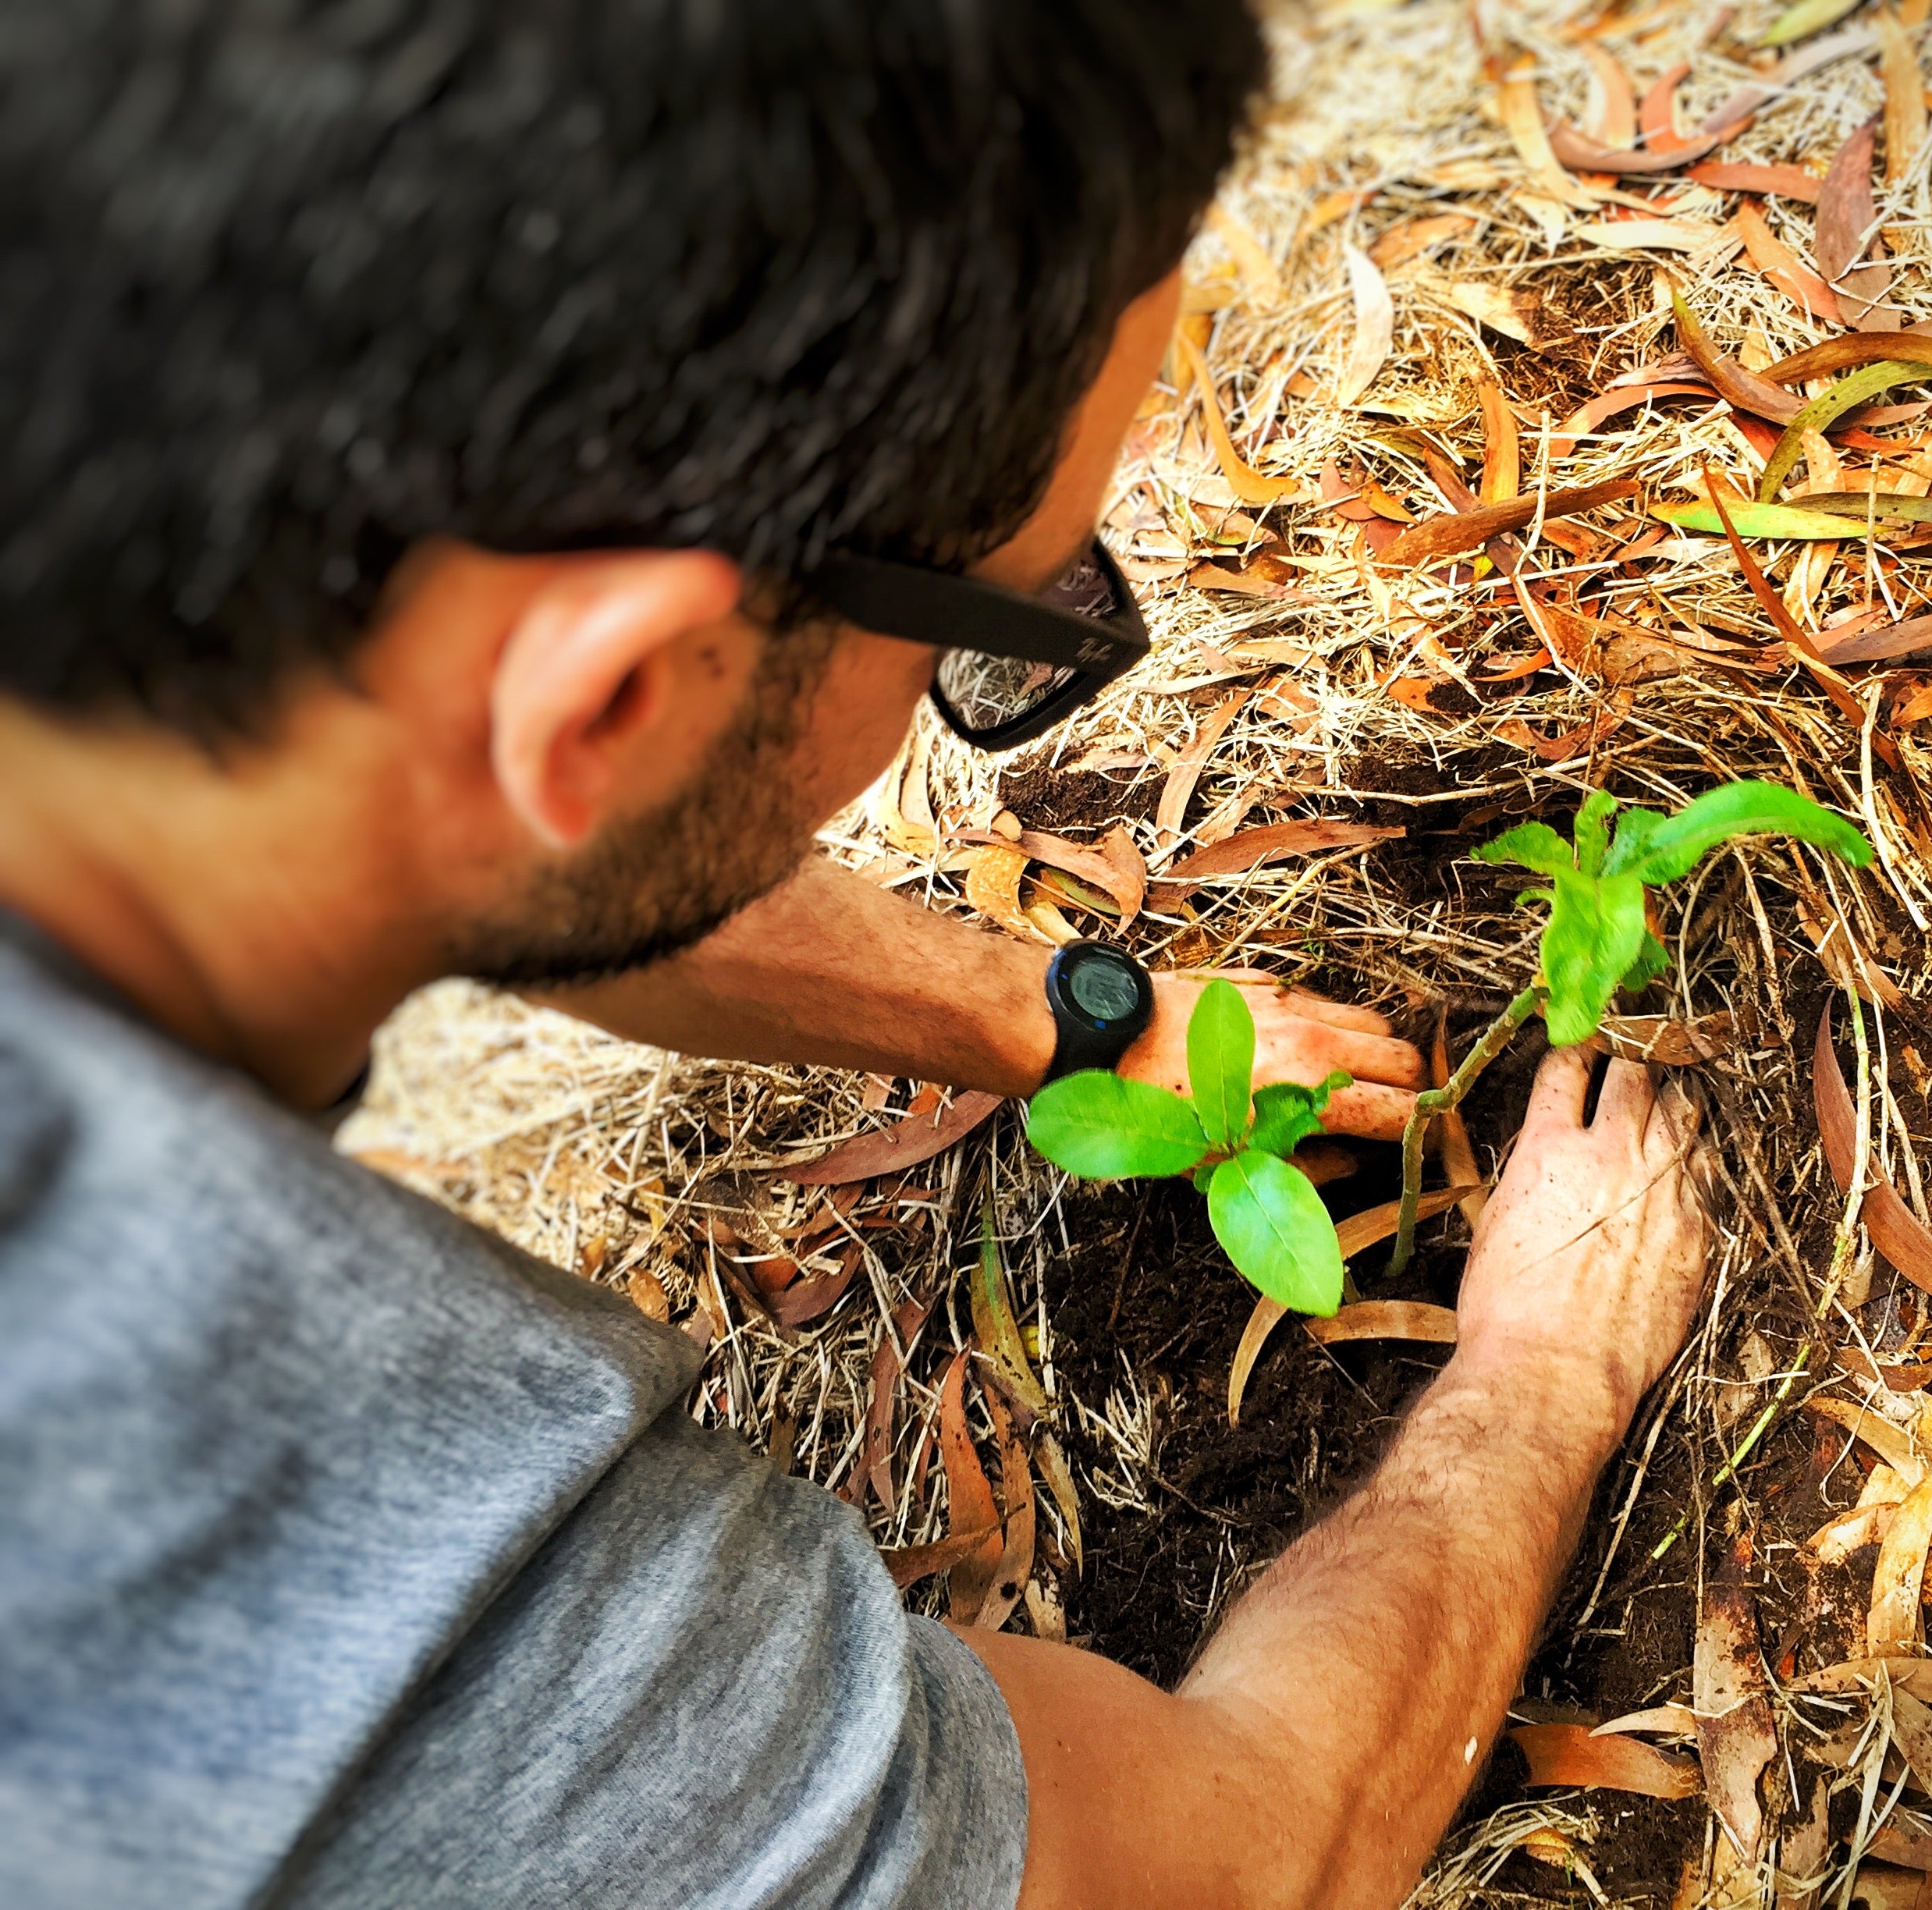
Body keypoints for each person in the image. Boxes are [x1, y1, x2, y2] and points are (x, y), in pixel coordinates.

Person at [0, 4, 1714, 1907]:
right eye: (1003, 617)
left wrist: (1069, 1025)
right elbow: (1218, 1868)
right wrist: (1544, 1375)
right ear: (614, 696)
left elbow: (503, 834)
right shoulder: (313, 1605)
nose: (994, 666)